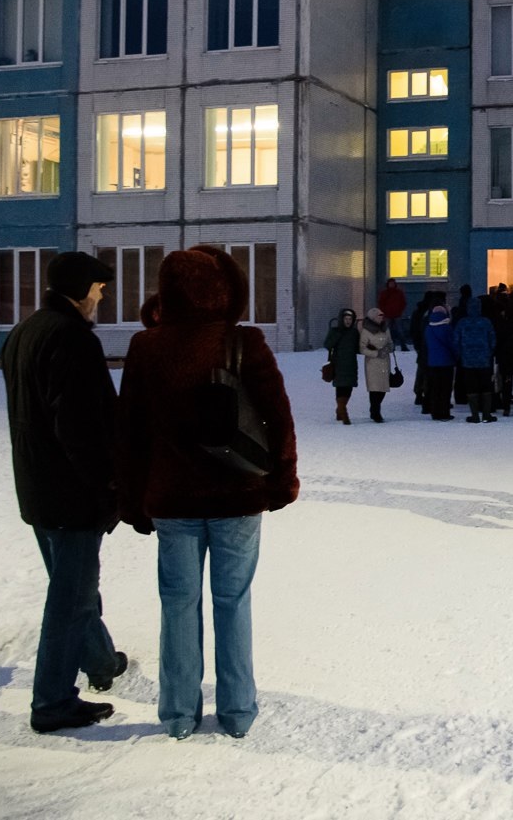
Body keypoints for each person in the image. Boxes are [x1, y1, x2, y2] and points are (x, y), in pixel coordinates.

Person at [115, 245, 299, 741]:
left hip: (173, 500)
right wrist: (282, 481)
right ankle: (237, 712)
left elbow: (129, 432)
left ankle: (177, 714)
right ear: (227, 290)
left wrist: (132, 499)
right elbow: (278, 419)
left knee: (177, 605)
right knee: (233, 601)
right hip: (238, 495)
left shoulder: (145, 347)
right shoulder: (245, 343)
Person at [2, 250, 126, 734]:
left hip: (37, 488)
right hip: (70, 494)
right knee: (70, 601)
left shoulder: (25, 332)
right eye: (98, 288)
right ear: (79, 289)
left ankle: (100, 662)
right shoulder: (72, 339)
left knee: (74, 589)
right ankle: (52, 701)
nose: (102, 296)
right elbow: (80, 426)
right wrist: (108, 485)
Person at [453, 296, 497, 423]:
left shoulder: (462, 322)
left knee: (471, 387)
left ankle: (475, 415)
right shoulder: (486, 322)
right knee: (486, 386)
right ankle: (487, 414)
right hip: (484, 360)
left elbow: (456, 341)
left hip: (467, 361)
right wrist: (489, 353)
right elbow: (493, 339)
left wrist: (461, 354)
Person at [323, 308, 360, 424]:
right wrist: (337, 335)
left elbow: (358, 348)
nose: (348, 321)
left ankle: (340, 410)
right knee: (340, 388)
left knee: (348, 388)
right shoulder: (335, 331)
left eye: (350, 319)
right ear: (341, 319)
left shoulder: (354, 333)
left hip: (351, 364)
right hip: (338, 364)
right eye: (346, 319)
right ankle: (344, 413)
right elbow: (327, 344)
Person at [359, 307, 394, 423]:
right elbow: (362, 348)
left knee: (383, 388)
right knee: (375, 389)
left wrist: (388, 349)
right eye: (379, 316)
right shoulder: (366, 331)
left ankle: (375, 410)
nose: (381, 318)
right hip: (372, 363)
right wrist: (376, 353)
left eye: (382, 316)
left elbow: (390, 342)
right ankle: (375, 412)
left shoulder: (385, 329)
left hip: (385, 362)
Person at [424, 302, 458, 421]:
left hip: (432, 362)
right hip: (446, 361)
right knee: (445, 389)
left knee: (435, 388)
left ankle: (435, 412)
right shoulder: (447, 328)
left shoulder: (428, 328)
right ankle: (444, 412)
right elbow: (452, 344)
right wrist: (456, 356)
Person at [377, 279, 408, 350]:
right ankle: (390, 346)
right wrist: (384, 311)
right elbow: (381, 303)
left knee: (400, 331)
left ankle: (403, 346)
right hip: (388, 315)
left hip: (397, 314)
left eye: (393, 283)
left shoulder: (399, 293)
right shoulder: (384, 293)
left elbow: (403, 303)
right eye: (390, 283)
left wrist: (400, 311)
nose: (391, 285)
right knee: (388, 331)